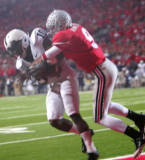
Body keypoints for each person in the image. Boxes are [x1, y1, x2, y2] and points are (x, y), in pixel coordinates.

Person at [35, 9, 145, 158]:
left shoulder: (64, 34)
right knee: (104, 106)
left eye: (54, 26)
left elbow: (47, 55)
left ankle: (137, 136)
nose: (52, 30)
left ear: (61, 24)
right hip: (105, 68)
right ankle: (137, 118)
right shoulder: (75, 27)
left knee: (99, 117)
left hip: (102, 72)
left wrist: (33, 64)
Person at [4, 28, 98, 160]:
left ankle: (91, 149)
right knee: (54, 120)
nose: (15, 53)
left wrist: (43, 66)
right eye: (12, 51)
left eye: (16, 48)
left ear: (24, 41)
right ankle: (84, 133)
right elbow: (41, 80)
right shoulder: (21, 64)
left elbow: (59, 52)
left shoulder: (36, 37)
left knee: (73, 114)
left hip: (64, 76)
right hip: (53, 83)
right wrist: (38, 75)